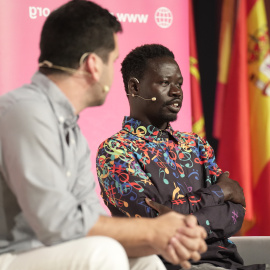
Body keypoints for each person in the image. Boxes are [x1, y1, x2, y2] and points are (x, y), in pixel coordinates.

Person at [0, 1, 208, 270]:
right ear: (93, 65)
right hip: (10, 255)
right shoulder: (27, 112)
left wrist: (167, 238)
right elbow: (58, 224)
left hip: (49, 252)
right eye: (114, 61)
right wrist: (152, 231)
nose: (114, 71)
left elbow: (92, 218)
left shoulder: (69, 129)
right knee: (104, 253)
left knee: (146, 260)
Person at [96, 44, 267, 270]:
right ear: (135, 88)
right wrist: (220, 191)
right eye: (165, 83)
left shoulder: (195, 144)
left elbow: (236, 213)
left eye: (179, 84)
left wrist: (184, 217)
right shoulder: (116, 151)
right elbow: (154, 225)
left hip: (231, 263)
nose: (177, 92)